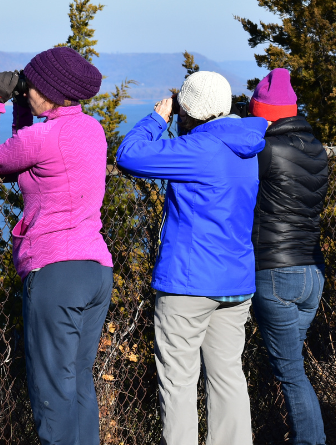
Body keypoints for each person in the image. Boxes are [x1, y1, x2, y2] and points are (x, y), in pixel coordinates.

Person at [115, 71, 269, 445]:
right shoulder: (246, 147)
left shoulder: (199, 150)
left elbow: (128, 155)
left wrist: (156, 119)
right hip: (234, 283)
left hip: (189, 282)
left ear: (189, 110)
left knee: (178, 381)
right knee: (228, 377)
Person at [0, 47, 113, 445]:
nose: (26, 88)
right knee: (78, 383)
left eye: (30, 84)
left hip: (56, 274)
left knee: (52, 397)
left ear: (49, 91)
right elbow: (27, 150)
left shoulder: (45, 137)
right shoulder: (91, 129)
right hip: (95, 268)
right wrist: (23, 106)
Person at [248, 68, 329, 445]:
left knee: (290, 372)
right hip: (312, 274)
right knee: (291, 365)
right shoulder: (316, 149)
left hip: (275, 272)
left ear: (262, 113)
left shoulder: (264, 150)